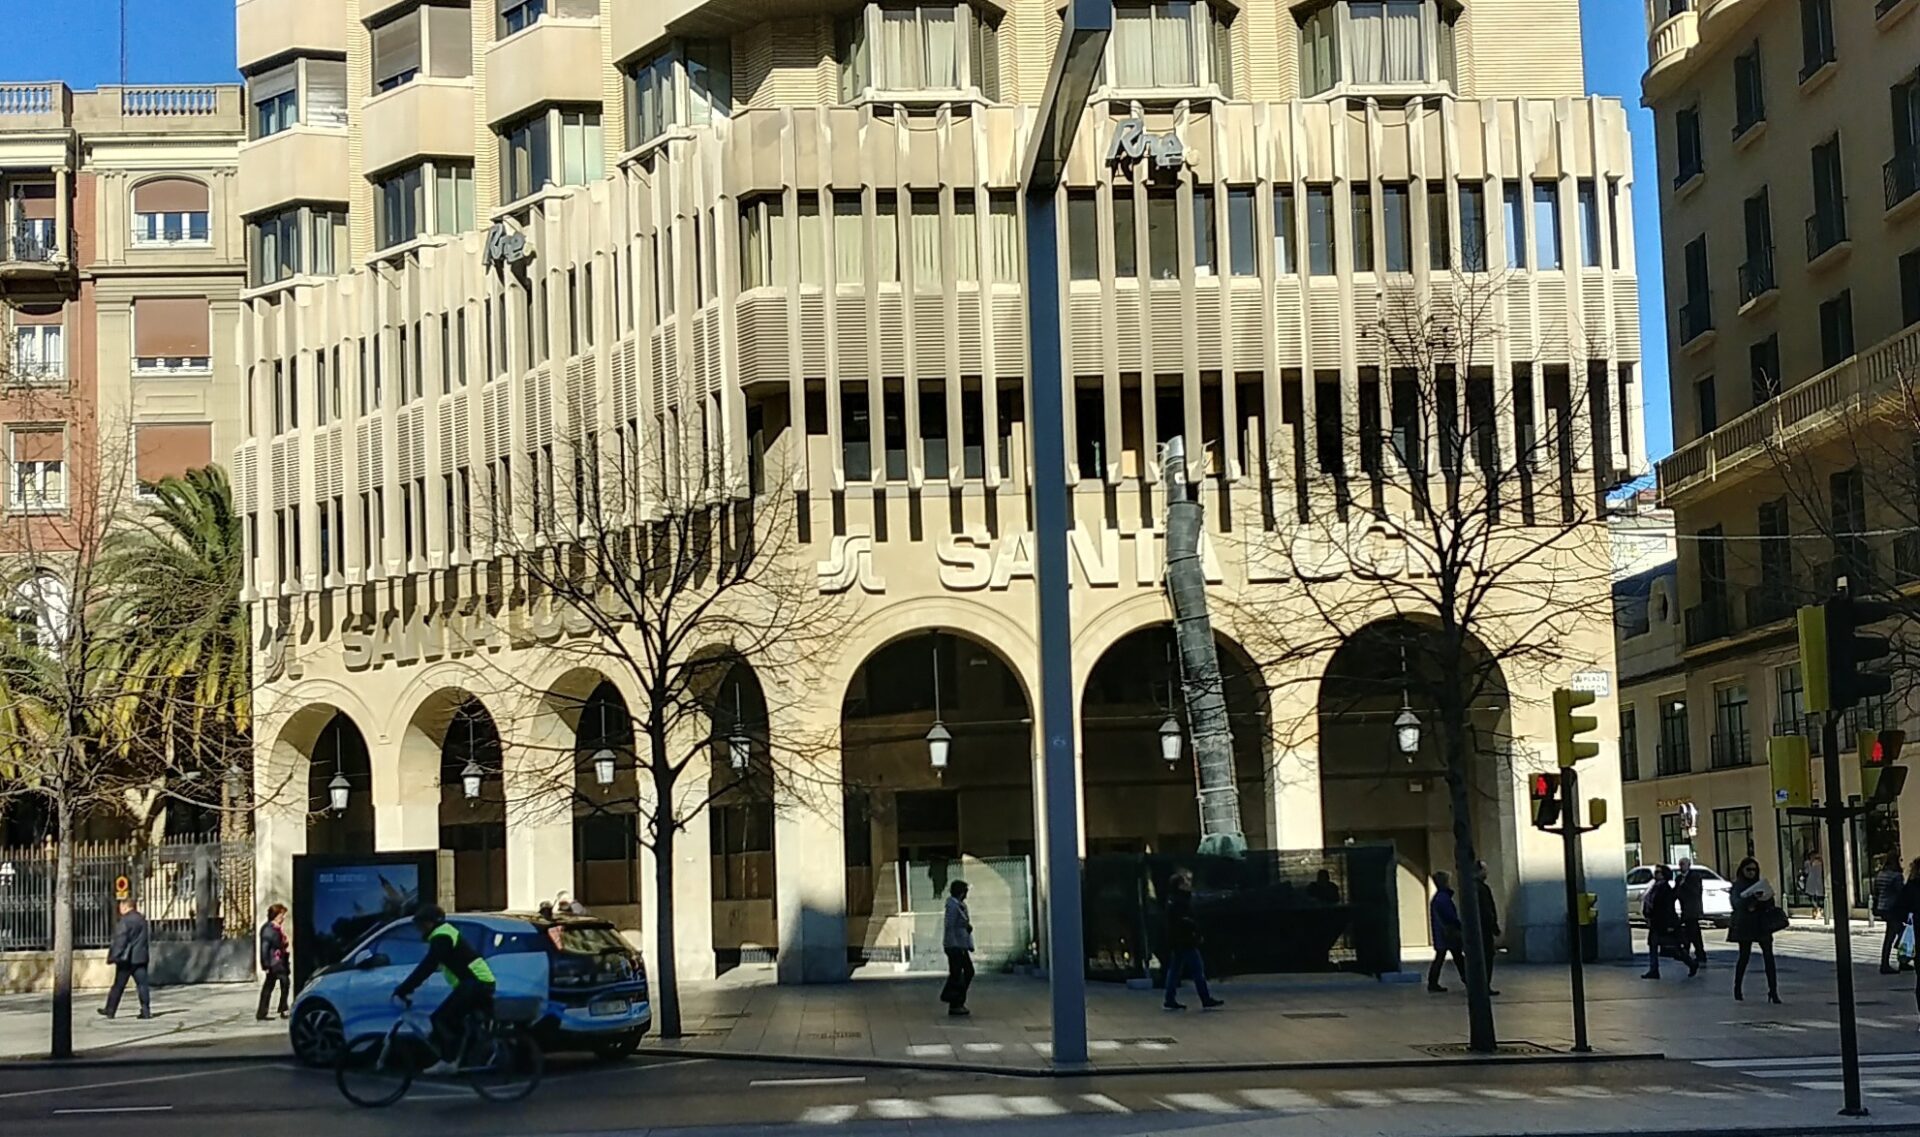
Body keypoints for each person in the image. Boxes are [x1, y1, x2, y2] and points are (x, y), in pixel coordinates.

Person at [394, 905, 497, 1075]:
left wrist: (406, 987)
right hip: (475, 983)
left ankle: (449, 1061)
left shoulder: (442, 936)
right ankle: (461, 1057)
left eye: (421, 924)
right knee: (455, 1021)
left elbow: (428, 965)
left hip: (475, 983)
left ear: (432, 923)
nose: (419, 929)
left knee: (440, 1019)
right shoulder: (444, 933)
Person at [1162, 870, 1224, 1011]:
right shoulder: (1181, 901)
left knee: (1175, 969)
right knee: (1197, 969)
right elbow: (1185, 921)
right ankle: (1205, 998)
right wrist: (1194, 932)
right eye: (1185, 882)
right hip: (1186, 941)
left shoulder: (1173, 900)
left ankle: (1169, 998)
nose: (1189, 884)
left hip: (1178, 941)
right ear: (1179, 885)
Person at [1729, 857, 1783, 1004]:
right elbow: (1736, 903)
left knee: (1769, 958)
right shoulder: (1738, 886)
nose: (1752, 873)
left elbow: (1770, 902)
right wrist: (1750, 900)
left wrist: (1763, 899)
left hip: (1761, 924)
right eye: (1749, 870)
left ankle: (1773, 991)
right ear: (1742, 870)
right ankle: (1737, 988)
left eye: (1754, 870)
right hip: (1745, 925)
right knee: (1744, 957)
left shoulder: (1760, 884)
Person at [98, 898, 151, 1020]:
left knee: (118, 986)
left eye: (120, 907)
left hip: (126, 960)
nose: (119, 909)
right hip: (140, 958)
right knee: (142, 985)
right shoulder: (142, 919)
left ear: (125, 906)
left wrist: (113, 956)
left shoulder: (125, 921)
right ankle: (146, 1010)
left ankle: (110, 1010)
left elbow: (121, 940)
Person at [1641, 864, 1696, 979]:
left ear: (1664, 875)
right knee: (1653, 944)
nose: (1656, 874)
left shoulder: (1665, 889)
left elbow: (1667, 908)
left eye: (1658, 872)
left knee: (1674, 948)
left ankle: (1691, 963)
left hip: (1664, 923)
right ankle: (1653, 970)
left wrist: (1670, 925)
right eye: (1655, 872)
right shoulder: (1654, 887)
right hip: (1655, 922)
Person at [1427, 871, 1468, 993]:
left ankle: (1433, 982)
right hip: (1448, 933)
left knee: (1446, 957)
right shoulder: (1443, 898)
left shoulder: (1439, 898)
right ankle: (1467, 979)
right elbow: (1450, 916)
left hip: (1443, 933)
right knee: (1457, 957)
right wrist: (1459, 925)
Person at [940, 880, 974, 1017]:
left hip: (960, 944)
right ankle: (954, 1000)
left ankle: (957, 1000)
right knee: (960, 972)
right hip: (955, 945)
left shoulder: (960, 905)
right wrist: (954, 943)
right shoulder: (953, 906)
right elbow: (950, 926)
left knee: (964, 972)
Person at [256, 903, 291, 1021]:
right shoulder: (268, 929)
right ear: (276, 915)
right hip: (274, 962)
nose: (283, 917)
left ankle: (263, 1012)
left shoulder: (276, 928)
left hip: (279, 961)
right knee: (284, 983)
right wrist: (265, 964)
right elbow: (264, 947)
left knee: (270, 986)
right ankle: (281, 1009)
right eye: (281, 914)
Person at [1873, 853, 1907, 974]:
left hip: (1883, 908)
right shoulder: (1896, 876)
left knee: (1891, 935)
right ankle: (1901, 960)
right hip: (1893, 909)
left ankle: (1889, 962)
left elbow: (1875, 892)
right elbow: (1901, 892)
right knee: (1902, 933)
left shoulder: (1880, 875)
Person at [1474, 861, 1501, 997]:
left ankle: (1480, 985)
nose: (1487, 872)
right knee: (1487, 958)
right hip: (1484, 930)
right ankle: (1484, 986)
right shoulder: (1481, 888)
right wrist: (1493, 926)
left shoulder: (1472, 887)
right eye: (1485, 870)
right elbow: (1487, 910)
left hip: (1479, 928)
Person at [1675, 856, 1708, 969]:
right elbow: (1676, 892)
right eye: (1680, 864)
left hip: (1693, 909)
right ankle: (1688, 952)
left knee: (1694, 932)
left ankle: (1698, 953)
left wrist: (1685, 884)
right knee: (1689, 932)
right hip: (1684, 908)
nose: (1681, 867)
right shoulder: (1678, 878)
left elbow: (1696, 891)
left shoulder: (1694, 876)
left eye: (1683, 864)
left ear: (1688, 865)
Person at [1801, 851, 1826, 925]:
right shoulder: (1807, 863)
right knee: (1811, 897)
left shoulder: (1820, 863)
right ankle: (1816, 909)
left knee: (1818, 897)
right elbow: (1806, 871)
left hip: (1818, 881)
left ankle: (1818, 911)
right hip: (1810, 881)